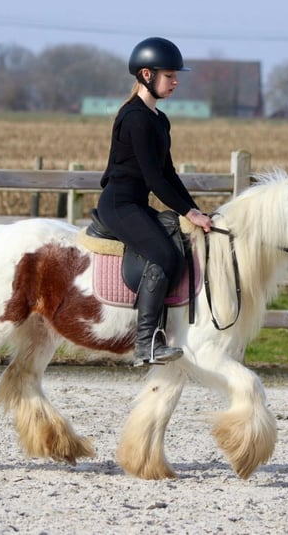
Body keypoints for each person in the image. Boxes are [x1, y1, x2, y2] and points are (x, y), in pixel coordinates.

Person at [97, 37, 213, 367]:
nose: (176, 81)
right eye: (169, 75)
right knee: (162, 254)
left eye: (177, 75)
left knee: (174, 247)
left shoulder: (159, 120)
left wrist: (195, 212)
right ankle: (145, 343)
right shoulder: (134, 117)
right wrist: (187, 211)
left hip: (137, 203)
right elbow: (153, 178)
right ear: (147, 74)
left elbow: (169, 173)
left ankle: (163, 334)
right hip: (119, 205)